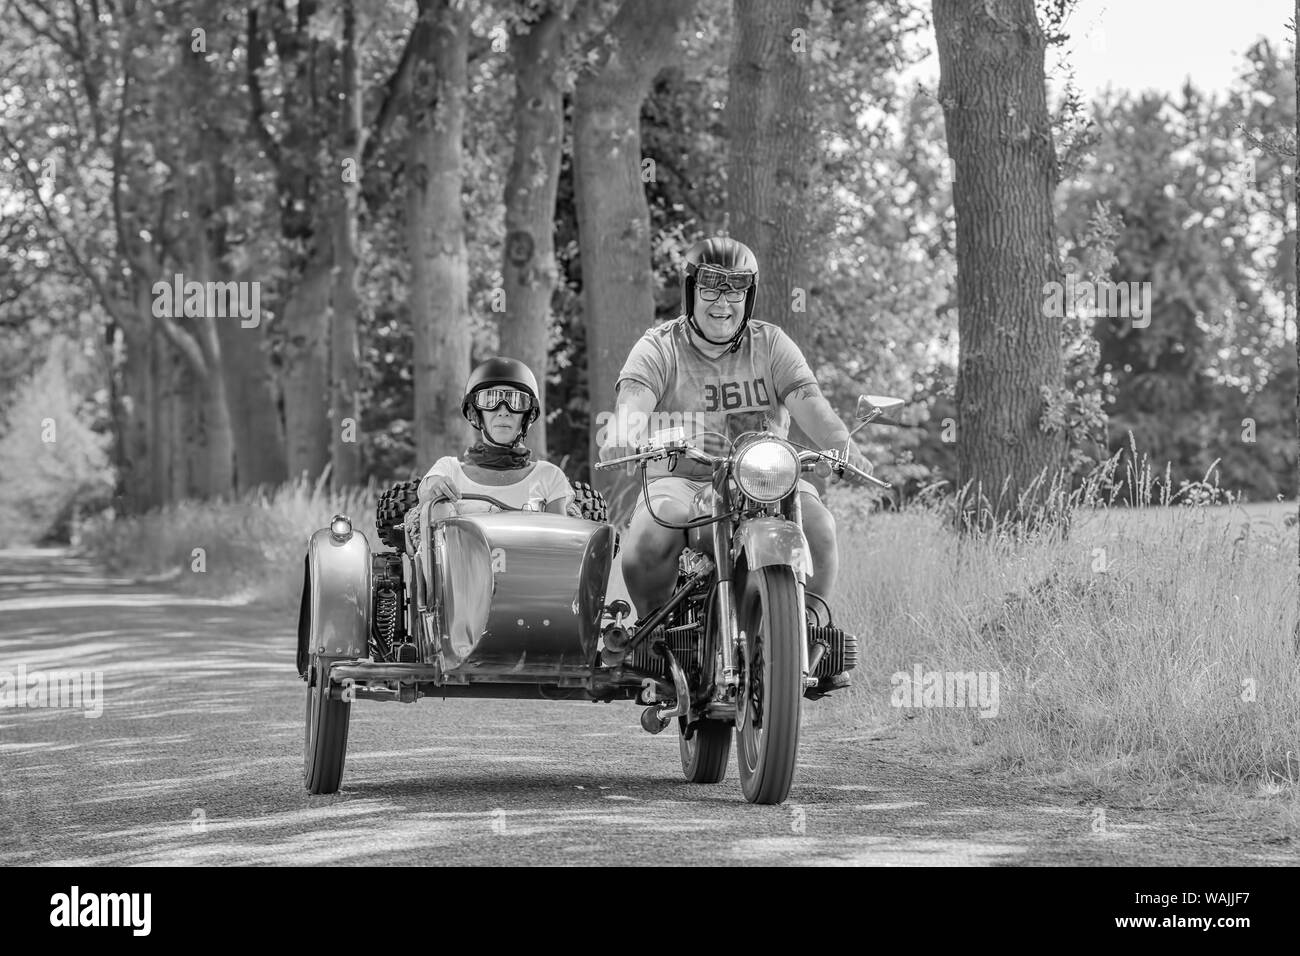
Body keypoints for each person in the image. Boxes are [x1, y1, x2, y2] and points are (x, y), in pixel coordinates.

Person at [599, 236, 872, 696]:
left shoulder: (772, 345)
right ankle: (659, 644)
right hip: (683, 478)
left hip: (767, 480)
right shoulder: (660, 347)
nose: (723, 301)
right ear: (691, 291)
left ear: (750, 295)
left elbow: (814, 408)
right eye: (710, 287)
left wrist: (847, 450)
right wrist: (623, 434)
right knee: (649, 534)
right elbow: (633, 402)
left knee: (820, 527)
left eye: (736, 289)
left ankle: (804, 635)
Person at [415, 357, 574, 518]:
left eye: (516, 401)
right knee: (437, 505)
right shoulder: (449, 469)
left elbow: (561, 539)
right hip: (456, 544)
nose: (503, 411)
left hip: (532, 545)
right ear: (476, 413)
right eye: (490, 399)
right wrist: (435, 486)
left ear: (527, 415)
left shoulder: (549, 475)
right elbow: (425, 493)